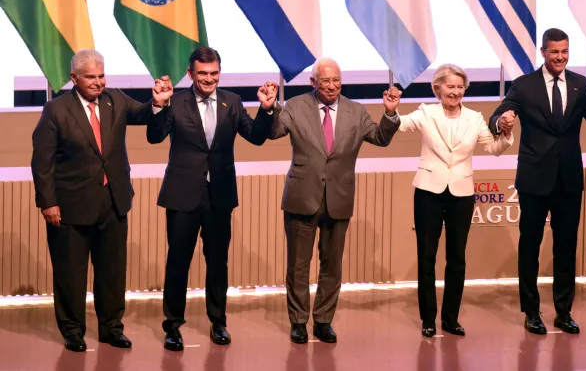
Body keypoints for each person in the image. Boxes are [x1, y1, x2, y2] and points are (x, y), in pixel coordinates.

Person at [489, 28, 586, 335]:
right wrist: (501, 121)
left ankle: (563, 312)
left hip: (568, 180)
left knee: (566, 248)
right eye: (555, 52)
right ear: (544, 52)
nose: (560, 57)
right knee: (530, 247)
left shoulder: (581, 84)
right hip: (533, 180)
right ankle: (531, 312)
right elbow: (498, 115)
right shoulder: (524, 85)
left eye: (565, 51)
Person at [147, 47, 279, 351]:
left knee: (218, 263)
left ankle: (218, 322)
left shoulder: (232, 102)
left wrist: (267, 109)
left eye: (214, 73)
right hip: (182, 195)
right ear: (190, 74)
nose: (209, 79)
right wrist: (158, 104)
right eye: (203, 73)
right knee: (178, 263)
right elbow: (154, 136)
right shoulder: (175, 101)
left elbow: (256, 137)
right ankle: (172, 326)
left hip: (219, 196)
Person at [270, 58, 402, 344]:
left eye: (336, 80)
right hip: (302, 197)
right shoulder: (295, 106)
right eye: (325, 81)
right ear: (313, 82)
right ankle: (298, 321)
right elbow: (274, 131)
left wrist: (390, 113)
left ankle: (323, 321)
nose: (332, 86)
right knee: (298, 266)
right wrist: (270, 108)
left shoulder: (357, 111)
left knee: (332, 265)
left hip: (339, 198)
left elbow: (380, 138)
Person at [30, 49, 155, 352]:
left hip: (113, 202)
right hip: (70, 207)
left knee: (112, 272)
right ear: (74, 78)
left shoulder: (116, 99)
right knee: (71, 274)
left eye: (101, 75)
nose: (99, 82)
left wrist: (159, 102)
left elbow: (143, 114)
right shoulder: (56, 110)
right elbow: (42, 162)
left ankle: (112, 328)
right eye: (91, 77)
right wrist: (48, 202)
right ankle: (73, 331)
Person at [396, 64, 514, 338]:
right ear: (438, 88)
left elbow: (494, 147)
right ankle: (428, 319)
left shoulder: (474, 118)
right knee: (426, 257)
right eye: (451, 86)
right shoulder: (426, 113)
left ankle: (451, 318)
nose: (456, 92)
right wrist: (391, 111)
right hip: (428, 192)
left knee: (457, 258)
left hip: (461, 194)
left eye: (460, 87)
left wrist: (506, 133)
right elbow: (400, 124)